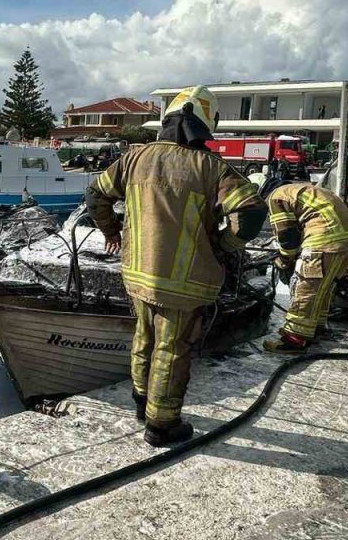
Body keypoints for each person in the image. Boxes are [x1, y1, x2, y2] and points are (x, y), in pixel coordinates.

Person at [84, 85, 266, 447]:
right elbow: (251, 213)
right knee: (171, 347)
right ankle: (162, 424)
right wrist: (224, 245)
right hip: (185, 281)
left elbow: (95, 194)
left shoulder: (134, 158)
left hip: (138, 272)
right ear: (207, 124)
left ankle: (142, 403)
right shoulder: (212, 167)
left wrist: (112, 232)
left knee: (144, 336)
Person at [259, 178, 348, 352]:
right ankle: (316, 329)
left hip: (323, 241)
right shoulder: (301, 189)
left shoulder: (275, 197)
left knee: (306, 288)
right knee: (322, 289)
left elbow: (287, 234)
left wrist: (285, 258)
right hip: (345, 242)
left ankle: (293, 339)